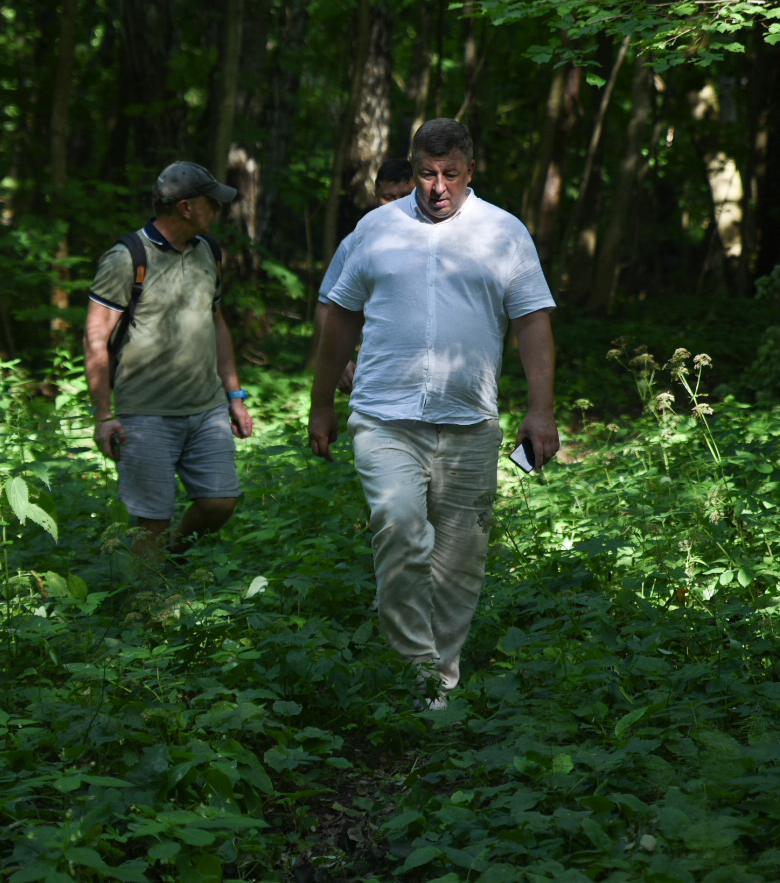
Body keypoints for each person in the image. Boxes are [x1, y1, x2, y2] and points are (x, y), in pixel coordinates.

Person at [308, 118, 559, 710]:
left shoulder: (504, 232)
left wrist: (540, 410)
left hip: (470, 421)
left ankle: (440, 683)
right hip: (384, 416)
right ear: (413, 168)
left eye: (449, 174)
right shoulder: (375, 229)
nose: (436, 186)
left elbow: (532, 322)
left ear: (470, 170)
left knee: (459, 562)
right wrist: (321, 404)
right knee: (397, 526)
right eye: (425, 173)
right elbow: (339, 316)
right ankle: (418, 671)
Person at [84, 161, 254, 561]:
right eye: (212, 202)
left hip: (207, 409)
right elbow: (95, 338)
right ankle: (145, 611)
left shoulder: (208, 251)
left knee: (221, 502)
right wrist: (104, 414)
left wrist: (235, 394)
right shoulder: (126, 258)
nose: (218, 210)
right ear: (187, 207)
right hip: (146, 413)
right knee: (151, 522)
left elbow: (217, 325)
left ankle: (174, 557)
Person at [315, 157, 414, 393]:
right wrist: (339, 362)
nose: (395, 205)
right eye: (388, 197)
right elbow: (325, 306)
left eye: (404, 197)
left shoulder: (439, 242)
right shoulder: (355, 243)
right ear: (375, 194)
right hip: (373, 378)